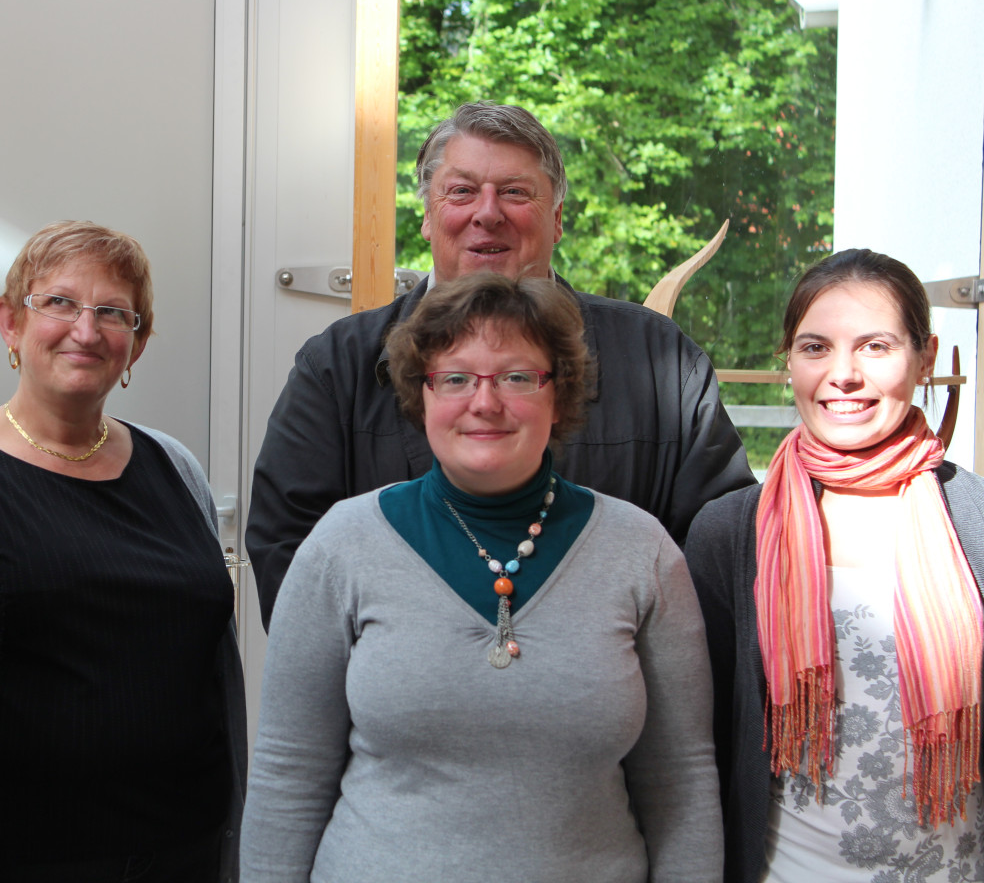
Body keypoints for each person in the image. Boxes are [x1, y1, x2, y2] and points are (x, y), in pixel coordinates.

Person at [240, 273, 721, 882]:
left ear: (560, 393)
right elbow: (288, 771)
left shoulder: (642, 552)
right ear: (423, 393)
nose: (485, 402)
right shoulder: (341, 546)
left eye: (517, 377)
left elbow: (680, 776)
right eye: (456, 378)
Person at [246, 101, 754, 629]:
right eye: (461, 191)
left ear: (556, 220)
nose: (487, 213)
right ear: (426, 216)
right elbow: (290, 550)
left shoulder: (661, 365)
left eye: (514, 192)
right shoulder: (336, 367)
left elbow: (722, 554)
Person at [0, 220, 246, 883]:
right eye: (60, 303)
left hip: (183, 844)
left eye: (112, 312)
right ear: (10, 323)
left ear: (137, 343)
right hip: (26, 856)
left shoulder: (174, 464)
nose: (86, 328)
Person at [686, 248, 984, 883]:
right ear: (788, 359)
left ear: (925, 356)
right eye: (815, 348)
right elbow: (692, 748)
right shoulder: (729, 533)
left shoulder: (976, 520)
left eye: (875, 347)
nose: (842, 374)